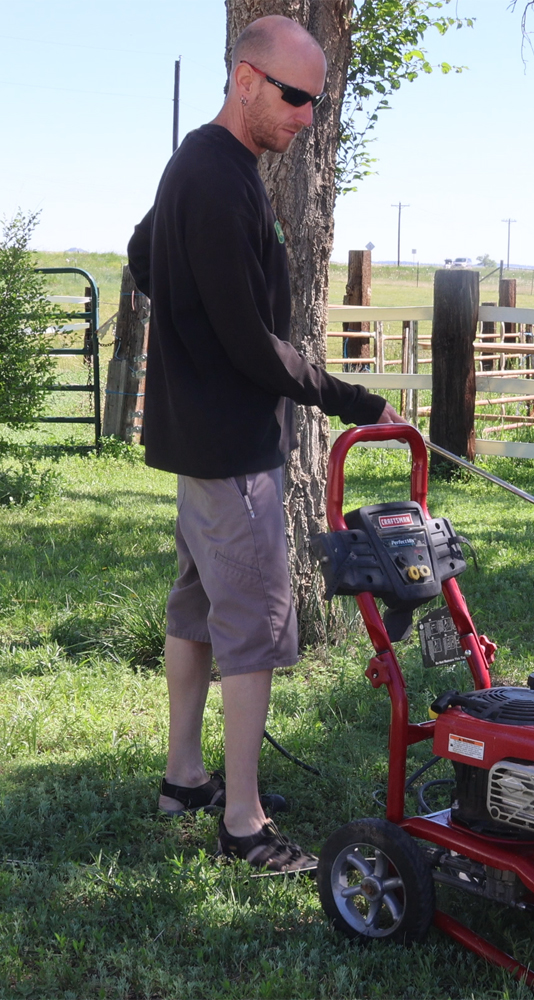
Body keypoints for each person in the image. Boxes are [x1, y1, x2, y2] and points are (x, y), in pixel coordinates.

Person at [128, 14, 407, 873]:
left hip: (202, 441)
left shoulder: (203, 165)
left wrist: (186, 325)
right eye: (294, 97)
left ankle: (184, 778)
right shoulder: (218, 179)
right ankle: (242, 823)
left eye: (316, 104)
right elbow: (253, 344)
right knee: (254, 629)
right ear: (245, 78)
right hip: (231, 449)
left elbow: (142, 254)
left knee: (199, 611)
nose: (305, 118)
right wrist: (350, 396)